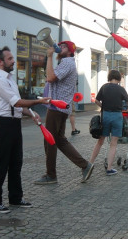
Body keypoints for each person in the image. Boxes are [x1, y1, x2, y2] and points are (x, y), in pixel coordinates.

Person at [0, 47, 51, 213]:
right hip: (2, 125)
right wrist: (38, 102)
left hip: (14, 125)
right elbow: (17, 102)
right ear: (1, 62)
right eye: (10, 59)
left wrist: (31, 114)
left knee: (16, 163)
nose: (13, 61)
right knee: (1, 164)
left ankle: (15, 198)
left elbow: (17, 106)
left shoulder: (10, 80)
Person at [34, 41, 94, 184]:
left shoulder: (67, 62)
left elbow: (50, 77)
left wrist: (49, 57)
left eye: (63, 46)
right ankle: (85, 166)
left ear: (70, 51)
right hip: (59, 107)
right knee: (59, 140)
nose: (59, 48)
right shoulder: (66, 63)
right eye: (59, 46)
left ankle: (51, 175)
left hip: (56, 107)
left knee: (50, 140)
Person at [89, 70, 128, 176]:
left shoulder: (104, 87)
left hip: (106, 115)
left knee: (100, 141)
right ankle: (109, 169)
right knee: (113, 144)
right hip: (117, 116)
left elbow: (96, 100)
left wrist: (103, 108)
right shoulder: (121, 89)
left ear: (109, 77)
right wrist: (126, 111)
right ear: (118, 78)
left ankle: (89, 164)